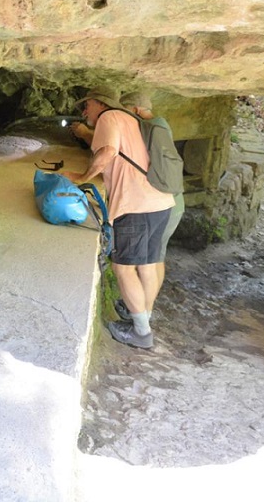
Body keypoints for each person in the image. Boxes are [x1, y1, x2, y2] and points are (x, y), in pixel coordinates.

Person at [61, 85, 175, 349]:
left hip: (135, 205)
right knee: (147, 264)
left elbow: (108, 152)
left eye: (86, 105)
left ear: (100, 103)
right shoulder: (132, 120)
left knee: (123, 267)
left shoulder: (109, 118)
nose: (84, 111)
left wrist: (82, 177)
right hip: (161, 201)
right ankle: (143, 317)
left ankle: (141, 333)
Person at [112, 91, 185, 324]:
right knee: (151, 260)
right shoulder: (159, 126)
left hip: (158, 202)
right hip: (170, 200)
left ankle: (143, 315)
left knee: (150, 262)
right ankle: (144, 311)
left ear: (134, 110)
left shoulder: (146, 128)